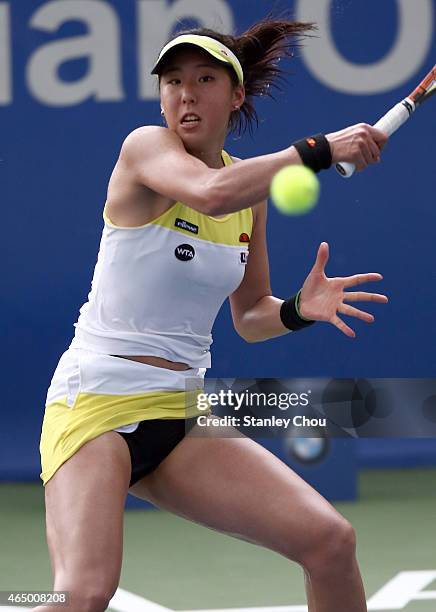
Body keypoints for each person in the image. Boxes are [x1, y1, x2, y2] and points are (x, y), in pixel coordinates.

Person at [35, 16, 389, 612]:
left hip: (181, 410)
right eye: (173, 81)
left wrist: (300, 310)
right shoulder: (146, 148)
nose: (186, 94)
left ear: (236, 95)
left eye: (204, 79)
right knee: (81, 594)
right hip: (96, 402)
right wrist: (321, 150)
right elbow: (207, 193)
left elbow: (250, 315)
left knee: (330, 541)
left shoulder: (248, 196)